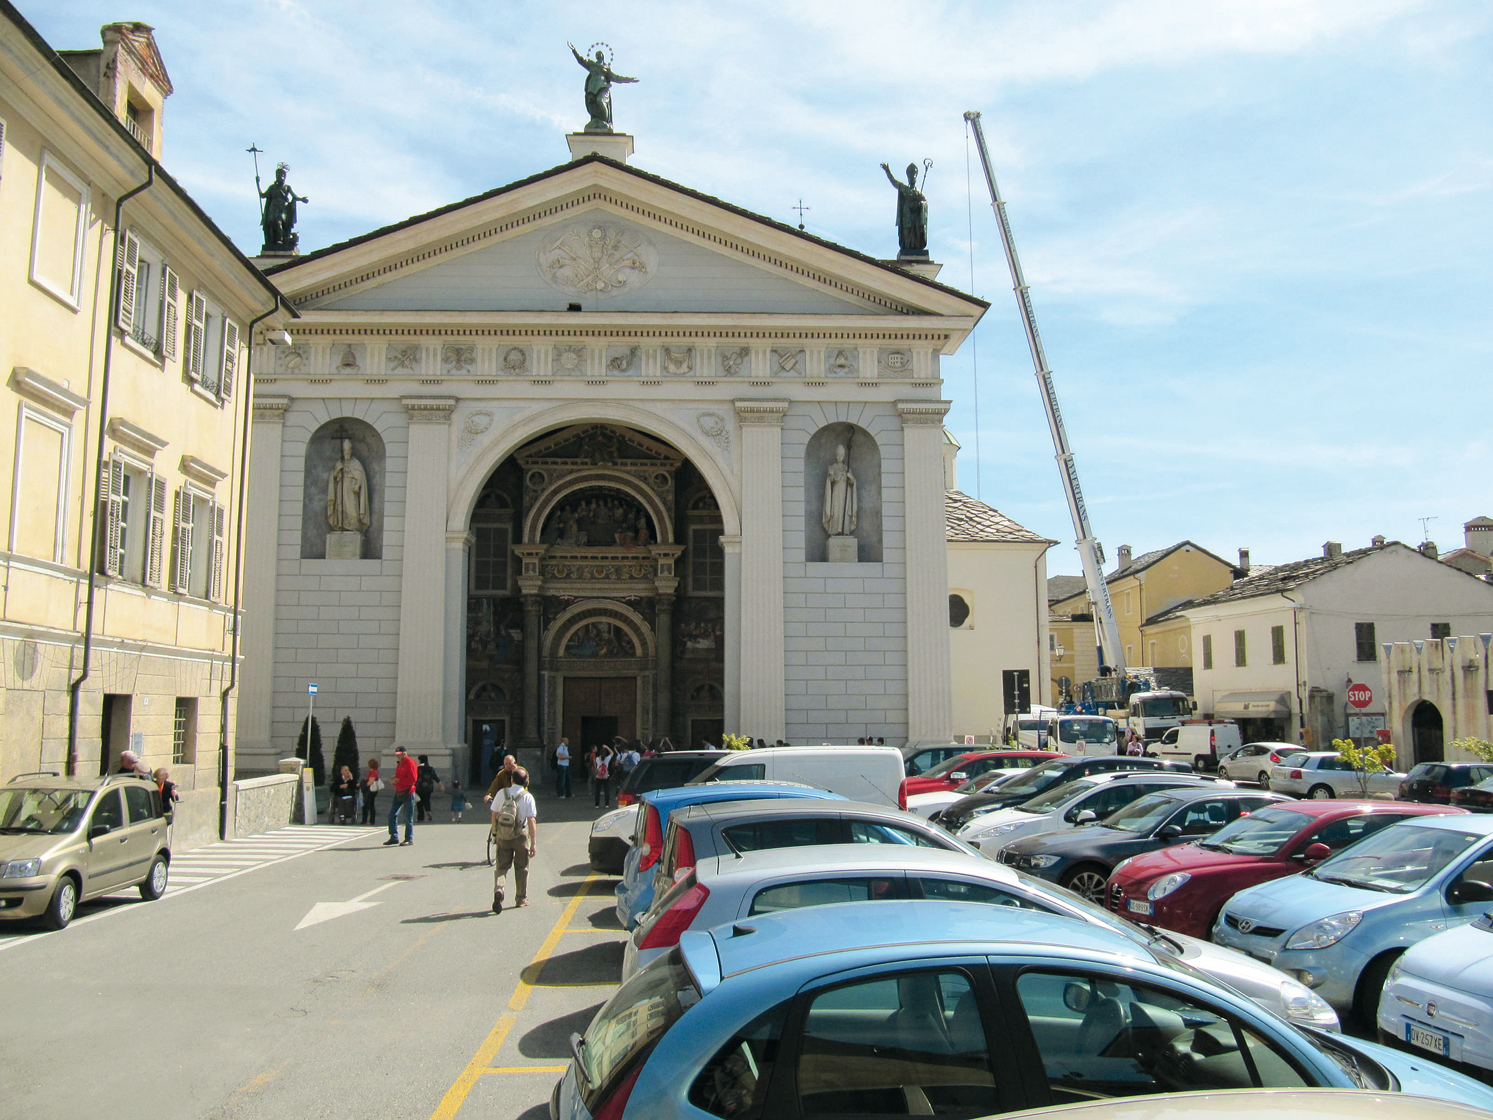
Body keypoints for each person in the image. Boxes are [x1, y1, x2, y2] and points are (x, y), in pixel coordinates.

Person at [491, 767, 538, 913]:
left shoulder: (501, 793)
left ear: (512, 780)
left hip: (503, 834)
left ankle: (499, 889)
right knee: (522, 867)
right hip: (520, 836)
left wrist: (495, 833)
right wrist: (533, 843)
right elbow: (531, 821)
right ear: (526, 781)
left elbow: (494, 814)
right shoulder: (527, 796)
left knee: (501, 867)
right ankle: (520, 898)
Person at [384, 747, 417, 846]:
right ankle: (394, 837)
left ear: (404, 754)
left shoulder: (410, 763)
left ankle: (409, 838)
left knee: (408, 817)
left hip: (408, 792)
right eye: (396, 754)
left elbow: (413, 780)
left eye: (399, 754)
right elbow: (399, 777)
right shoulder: (399, 764)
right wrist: (394, 780)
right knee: (392, 814)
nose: (397, 756)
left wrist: (398, 781)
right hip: (399, 791)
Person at [414, 754, 444, 822]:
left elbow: (414, 778)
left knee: (419, 803)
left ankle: (420, 818)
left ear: (420, 760)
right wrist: (441, 785)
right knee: (427, 801)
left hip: (419, 788)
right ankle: (428, 811)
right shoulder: (431, 768)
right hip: (429, 788)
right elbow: (435, 777)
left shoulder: (417, 768)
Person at [592, 743, 615, 808]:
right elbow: (612, 753)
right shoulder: (607, 759)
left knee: (597, 791)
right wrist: (607, 747)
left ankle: (597, 804)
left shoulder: (597, 759)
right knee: (606, 790)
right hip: (605, 776)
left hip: (598, 776)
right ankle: (607, 804)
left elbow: (595, 766)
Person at [361, 759, 383, 825]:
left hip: (370, 791)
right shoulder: (375, 771)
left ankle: (369, 820)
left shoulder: (373, 772)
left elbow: (370, 782)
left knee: (368, 805)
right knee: (371, 805)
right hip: (372, 791)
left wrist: (364, 784)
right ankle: (370, 820)